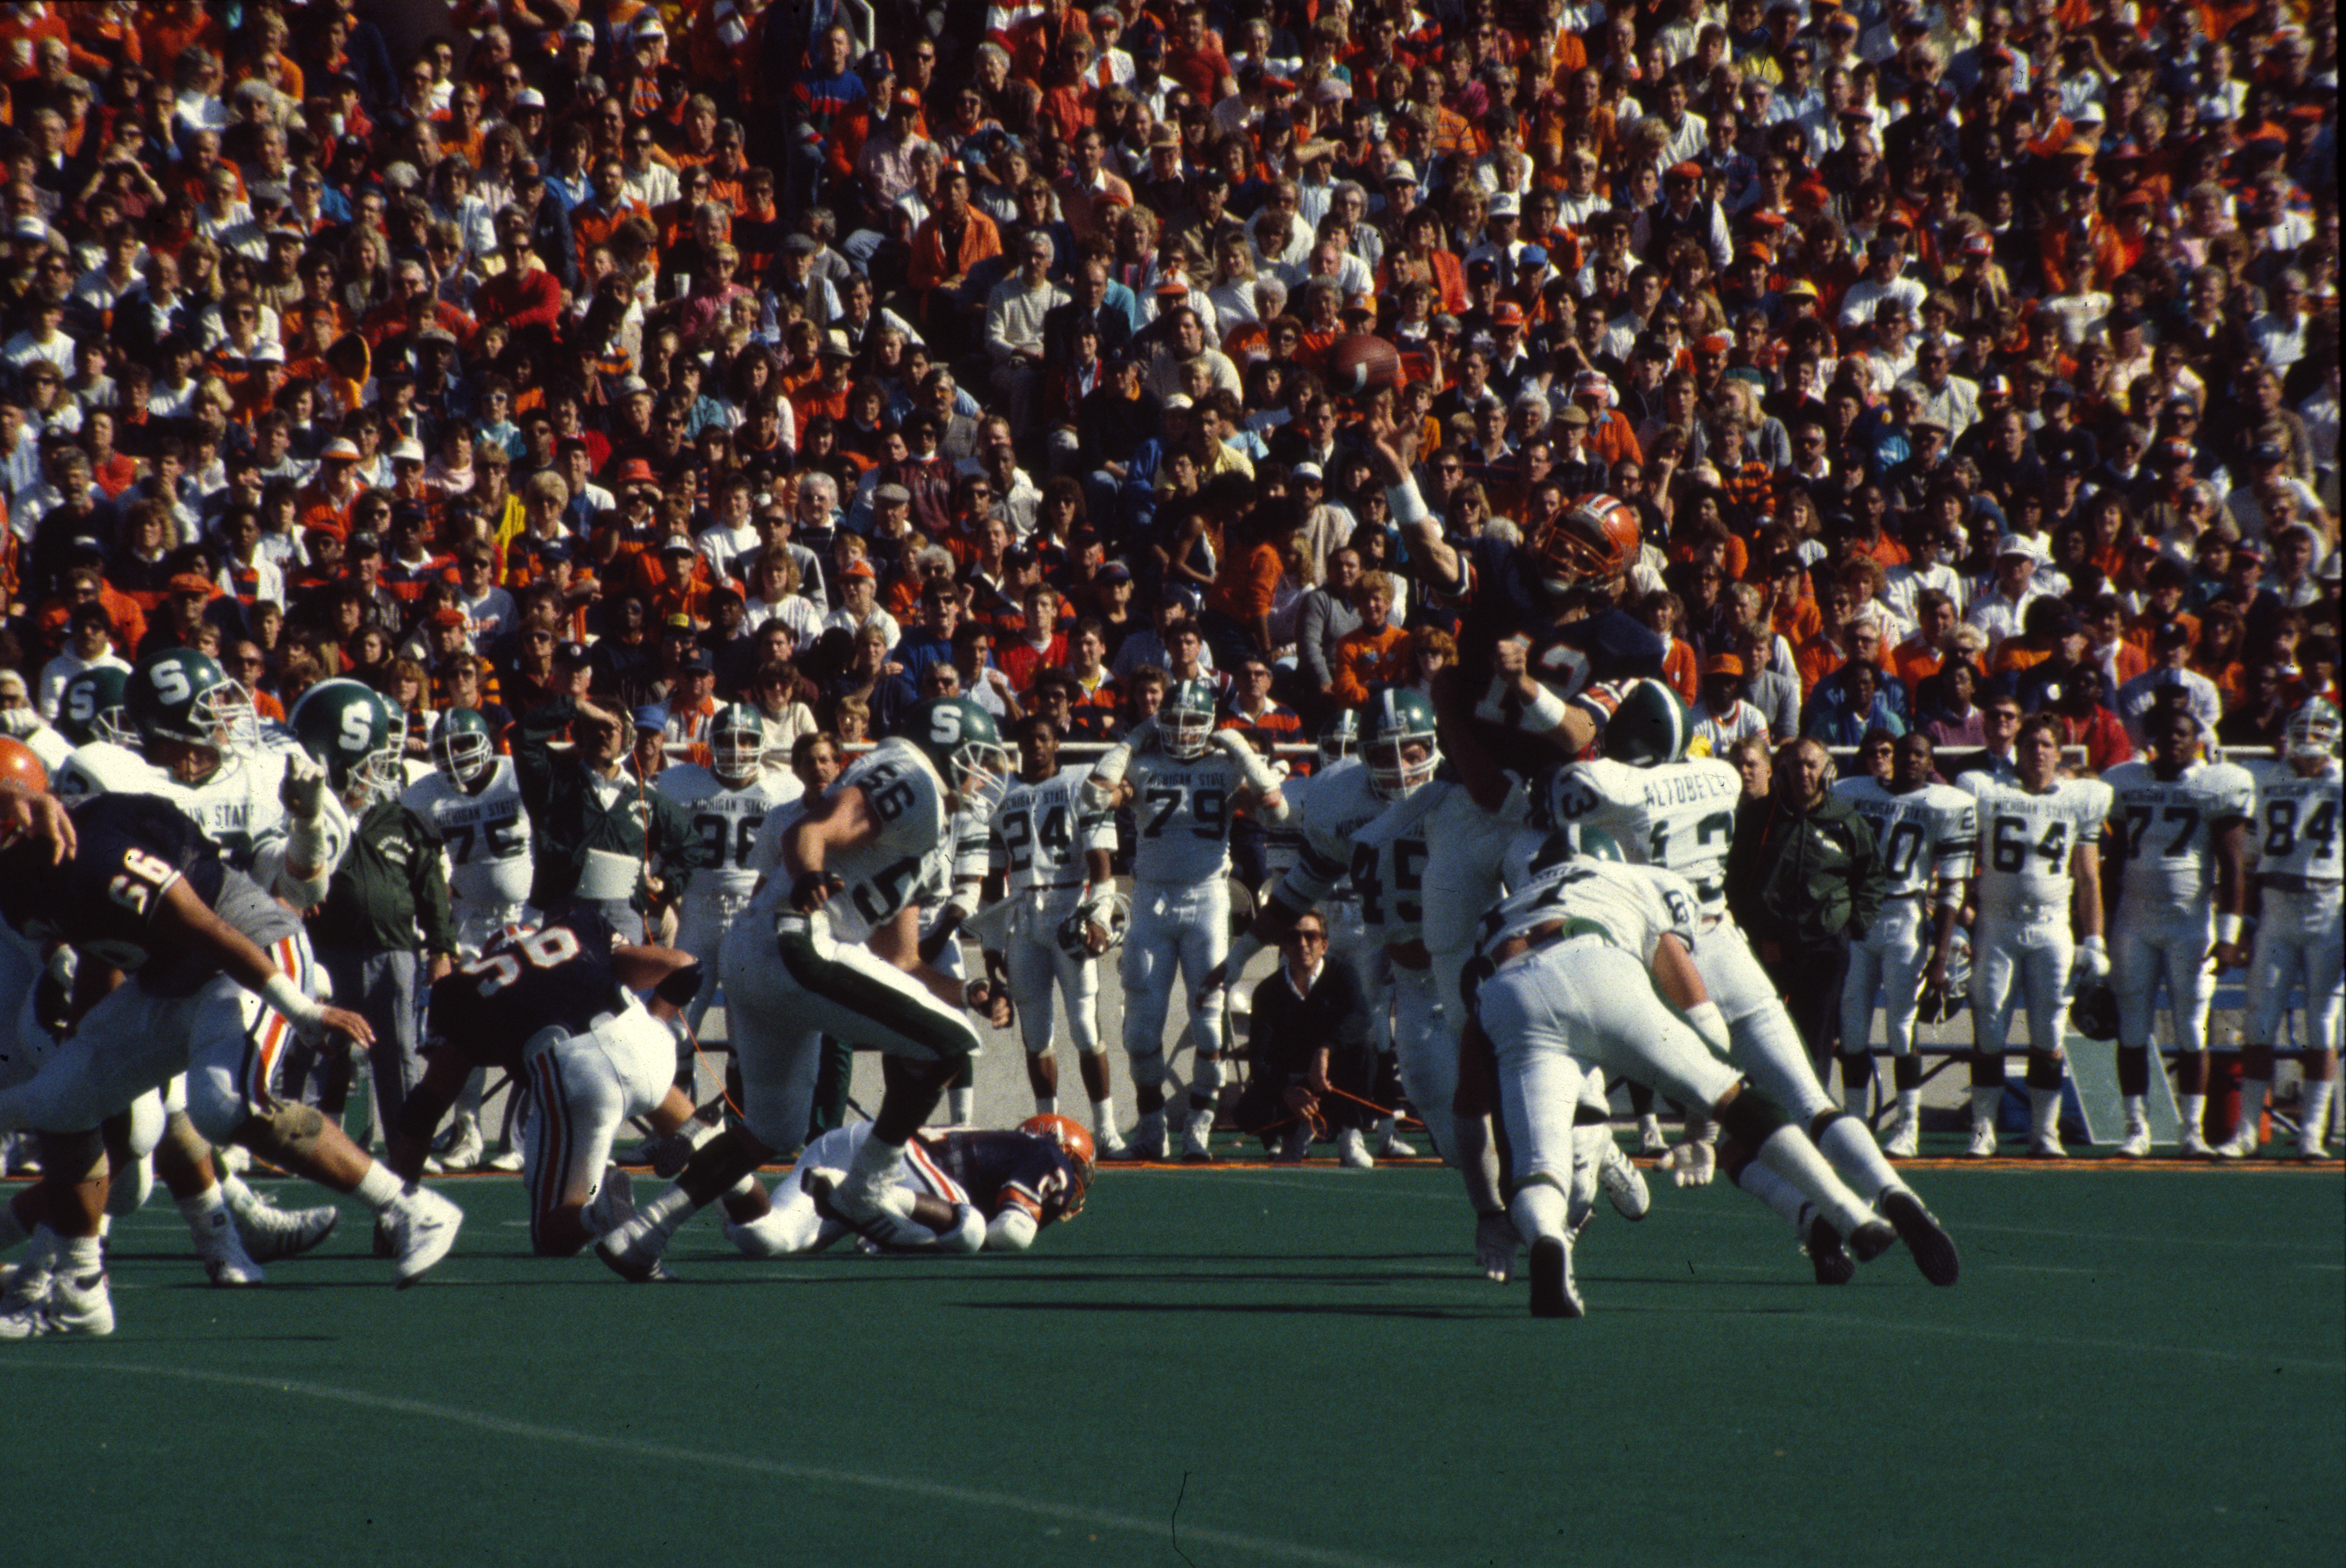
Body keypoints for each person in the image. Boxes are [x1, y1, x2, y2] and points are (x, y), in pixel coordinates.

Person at [0, 785, 464, 1337]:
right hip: (166, 983)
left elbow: (209, 929)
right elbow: (103, 953)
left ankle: (411, 1207)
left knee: (223, 1105)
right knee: (61, 1097)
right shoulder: (20, 886)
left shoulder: (97, 850)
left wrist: (304, 1011)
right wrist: (87, 1046)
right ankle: (80, 1295)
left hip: (248, 953)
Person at [596, 698, 1017, 1279]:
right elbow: (811, 830)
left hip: (761, 956)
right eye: (975, 760)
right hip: (796, 943)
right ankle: (868, 1187)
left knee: (773, 1130)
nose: (981, 776)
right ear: (945, 748)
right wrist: (811, 875)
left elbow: (899, 960)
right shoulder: (916, 777)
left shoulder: (927, 824)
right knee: (951, 1044)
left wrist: (967, 992)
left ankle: (644, 1232)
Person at [1464, 844, 1943, 1317]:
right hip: (1600, 961)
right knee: (1741, 1098)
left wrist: (1491, 1209)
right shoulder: (1634, 879)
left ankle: (1548, 1240)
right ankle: (1850, 1214)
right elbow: (1702, 1013)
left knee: (1540, 1167)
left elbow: (1469, 1100)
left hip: (1510, 994)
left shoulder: (1496, 915)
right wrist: (1700, 1132)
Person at [385, 911, 705, 1257]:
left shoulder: (463, 991)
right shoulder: (582, 927)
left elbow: (426, 1106)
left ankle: (597, 1210)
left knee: (553, 1232)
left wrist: (395, 1210)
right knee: (712, 1150)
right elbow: (686, 966)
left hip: (580, 1077)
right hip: (647, 1047)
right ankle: (737, 1192)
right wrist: (655, 1023)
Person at [1086, 676, 1289, 1161]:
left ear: (1211, 724)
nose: (1182, 731)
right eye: (1172, 721)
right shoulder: (1143, 763)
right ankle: (1152, 1126)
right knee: (1141, 1032)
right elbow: (1096, 795)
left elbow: (1274, 806)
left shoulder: (1224, 767)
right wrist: (1133, 739)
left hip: (1207, 900)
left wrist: (1238, 745)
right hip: (1152, 901)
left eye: (1194, 721)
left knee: (1211, 1028)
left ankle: (1199, 1125)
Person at [1956, 716, 2114, 1158]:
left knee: (2048, 1031)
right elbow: (1966, 857)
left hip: (2051, 925)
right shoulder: (1988, 791)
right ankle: (1983, 1129)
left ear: (2059, 753)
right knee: (1989, 1027)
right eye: (2030, 744)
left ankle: (2045, 1132)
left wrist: (2095, 940)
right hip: (1997, 923)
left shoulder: (2079, 798)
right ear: (2017, 750)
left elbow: (2088, 878)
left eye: (2046, 745)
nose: (2038, 752)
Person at [2099, 709, 2254, 1158]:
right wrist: (2101, 929)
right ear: (2149, 738)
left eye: (2181, 733)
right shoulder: (2125, 781)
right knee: (2132, 1027)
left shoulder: (2216, 783)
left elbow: (2232, 866)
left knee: (2191, 1028)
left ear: (2196, 739)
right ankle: (2136, 1128)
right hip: (2134, 920)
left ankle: (2191, 1131)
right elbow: (2114, 860)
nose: (2172, 740)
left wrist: (2229, 933)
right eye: (2164, 732)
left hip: (2190, 922)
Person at [401, 706, 537, 1172]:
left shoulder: (517, 776)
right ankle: (467, 1129)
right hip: (470, 922)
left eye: (463, 745)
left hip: (527, 917)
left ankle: (524, 1136)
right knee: (464, 1030)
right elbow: (422, 867)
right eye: (446, 749)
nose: (456, 757)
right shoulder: (424, 796)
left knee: (535, 1024)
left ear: (486, 743)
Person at [980, 713, 1121, 1150]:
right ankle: (1048, 1126)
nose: (1036, 746)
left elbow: (1101, 863)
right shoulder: (1001, 792)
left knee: (1084, 1026)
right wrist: (991, 942)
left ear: (1057, 742)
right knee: (1036, 1034)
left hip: (1069, 906)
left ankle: (1106, 1128)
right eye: (1028, 739)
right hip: (1023, 914)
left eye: (1043, 738)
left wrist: (1098, 916)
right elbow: (992, 877)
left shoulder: (1079, 782)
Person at [1832, 731, 1977, 1155]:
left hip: (1905, 917)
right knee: (1853, 1028)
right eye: (1905, 753)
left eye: (1920, 755)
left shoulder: (1944, 803)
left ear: (1930, 762)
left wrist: (1940, 953)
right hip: (1861, 916)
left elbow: (1953, 886)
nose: (1911, 760)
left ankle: (1907, 1127)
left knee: (1901, 1027)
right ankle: (1856, 1124)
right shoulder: (1853, 792)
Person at [1725, 738, 1887, 1093]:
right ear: (1782, 771)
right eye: (1796, 765)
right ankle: (1764, 1113)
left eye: (1811, 765)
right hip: (1768, 946)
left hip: (1824, 949)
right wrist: (1750, 927)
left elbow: (1871, 877)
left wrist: (1853, 926)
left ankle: (1812, 1111)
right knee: (1761, 1034)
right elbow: (1734, 878)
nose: (1803, 773)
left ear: (1827, 771)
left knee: (1816, 1039)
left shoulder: (1846, 821)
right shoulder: (1758, 818)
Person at [726, 1115, 1094, 1256]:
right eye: (1078, 1170)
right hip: (896, 1158)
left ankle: (725, 1172)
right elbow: (1013, 1232)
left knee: (769, 1238)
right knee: (970, 1229)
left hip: (847, 1145)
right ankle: (864, 1198)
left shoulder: (1005, 1145)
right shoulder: (1050, 1153)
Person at [2234, 699, 2340, 1161]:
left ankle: (2311, 1132)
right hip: (2276, 907)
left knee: (2322, 1025)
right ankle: (2245, 1130)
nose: (2311, 738)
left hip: (2328, 907)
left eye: (2320, 730)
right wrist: (2242, 923)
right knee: (2259, 1021)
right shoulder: (2263, 778)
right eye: (2304, 729)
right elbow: (2247, 859)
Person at [654, 703, 802, 1032]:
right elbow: (664, 848)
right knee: (679, 1022)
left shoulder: (785, 789)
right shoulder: (681, 783)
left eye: (746, 740)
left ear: (760, 744)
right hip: (698, 914)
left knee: (749, 1025)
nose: (737, 749)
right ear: (712, 744)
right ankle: (682, 1067)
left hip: (752, 914)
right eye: (727, 740)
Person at [1232, 912, 1380, 1165]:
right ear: (1283, 945)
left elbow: (1361, 1017)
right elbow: (1259, 1061)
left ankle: (1350, 1135)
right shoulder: (1267, 992)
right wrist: (1288, 1090)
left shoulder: (1343, 974)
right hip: (1292, 1079)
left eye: (1310, 936)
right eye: (1293, 937)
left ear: (1324, 945)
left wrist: (1325, 1050)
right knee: (1248, 1111)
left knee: (1365, 1049)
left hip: (1331, 1079)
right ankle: (1294, 1134)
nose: (1302, 944)